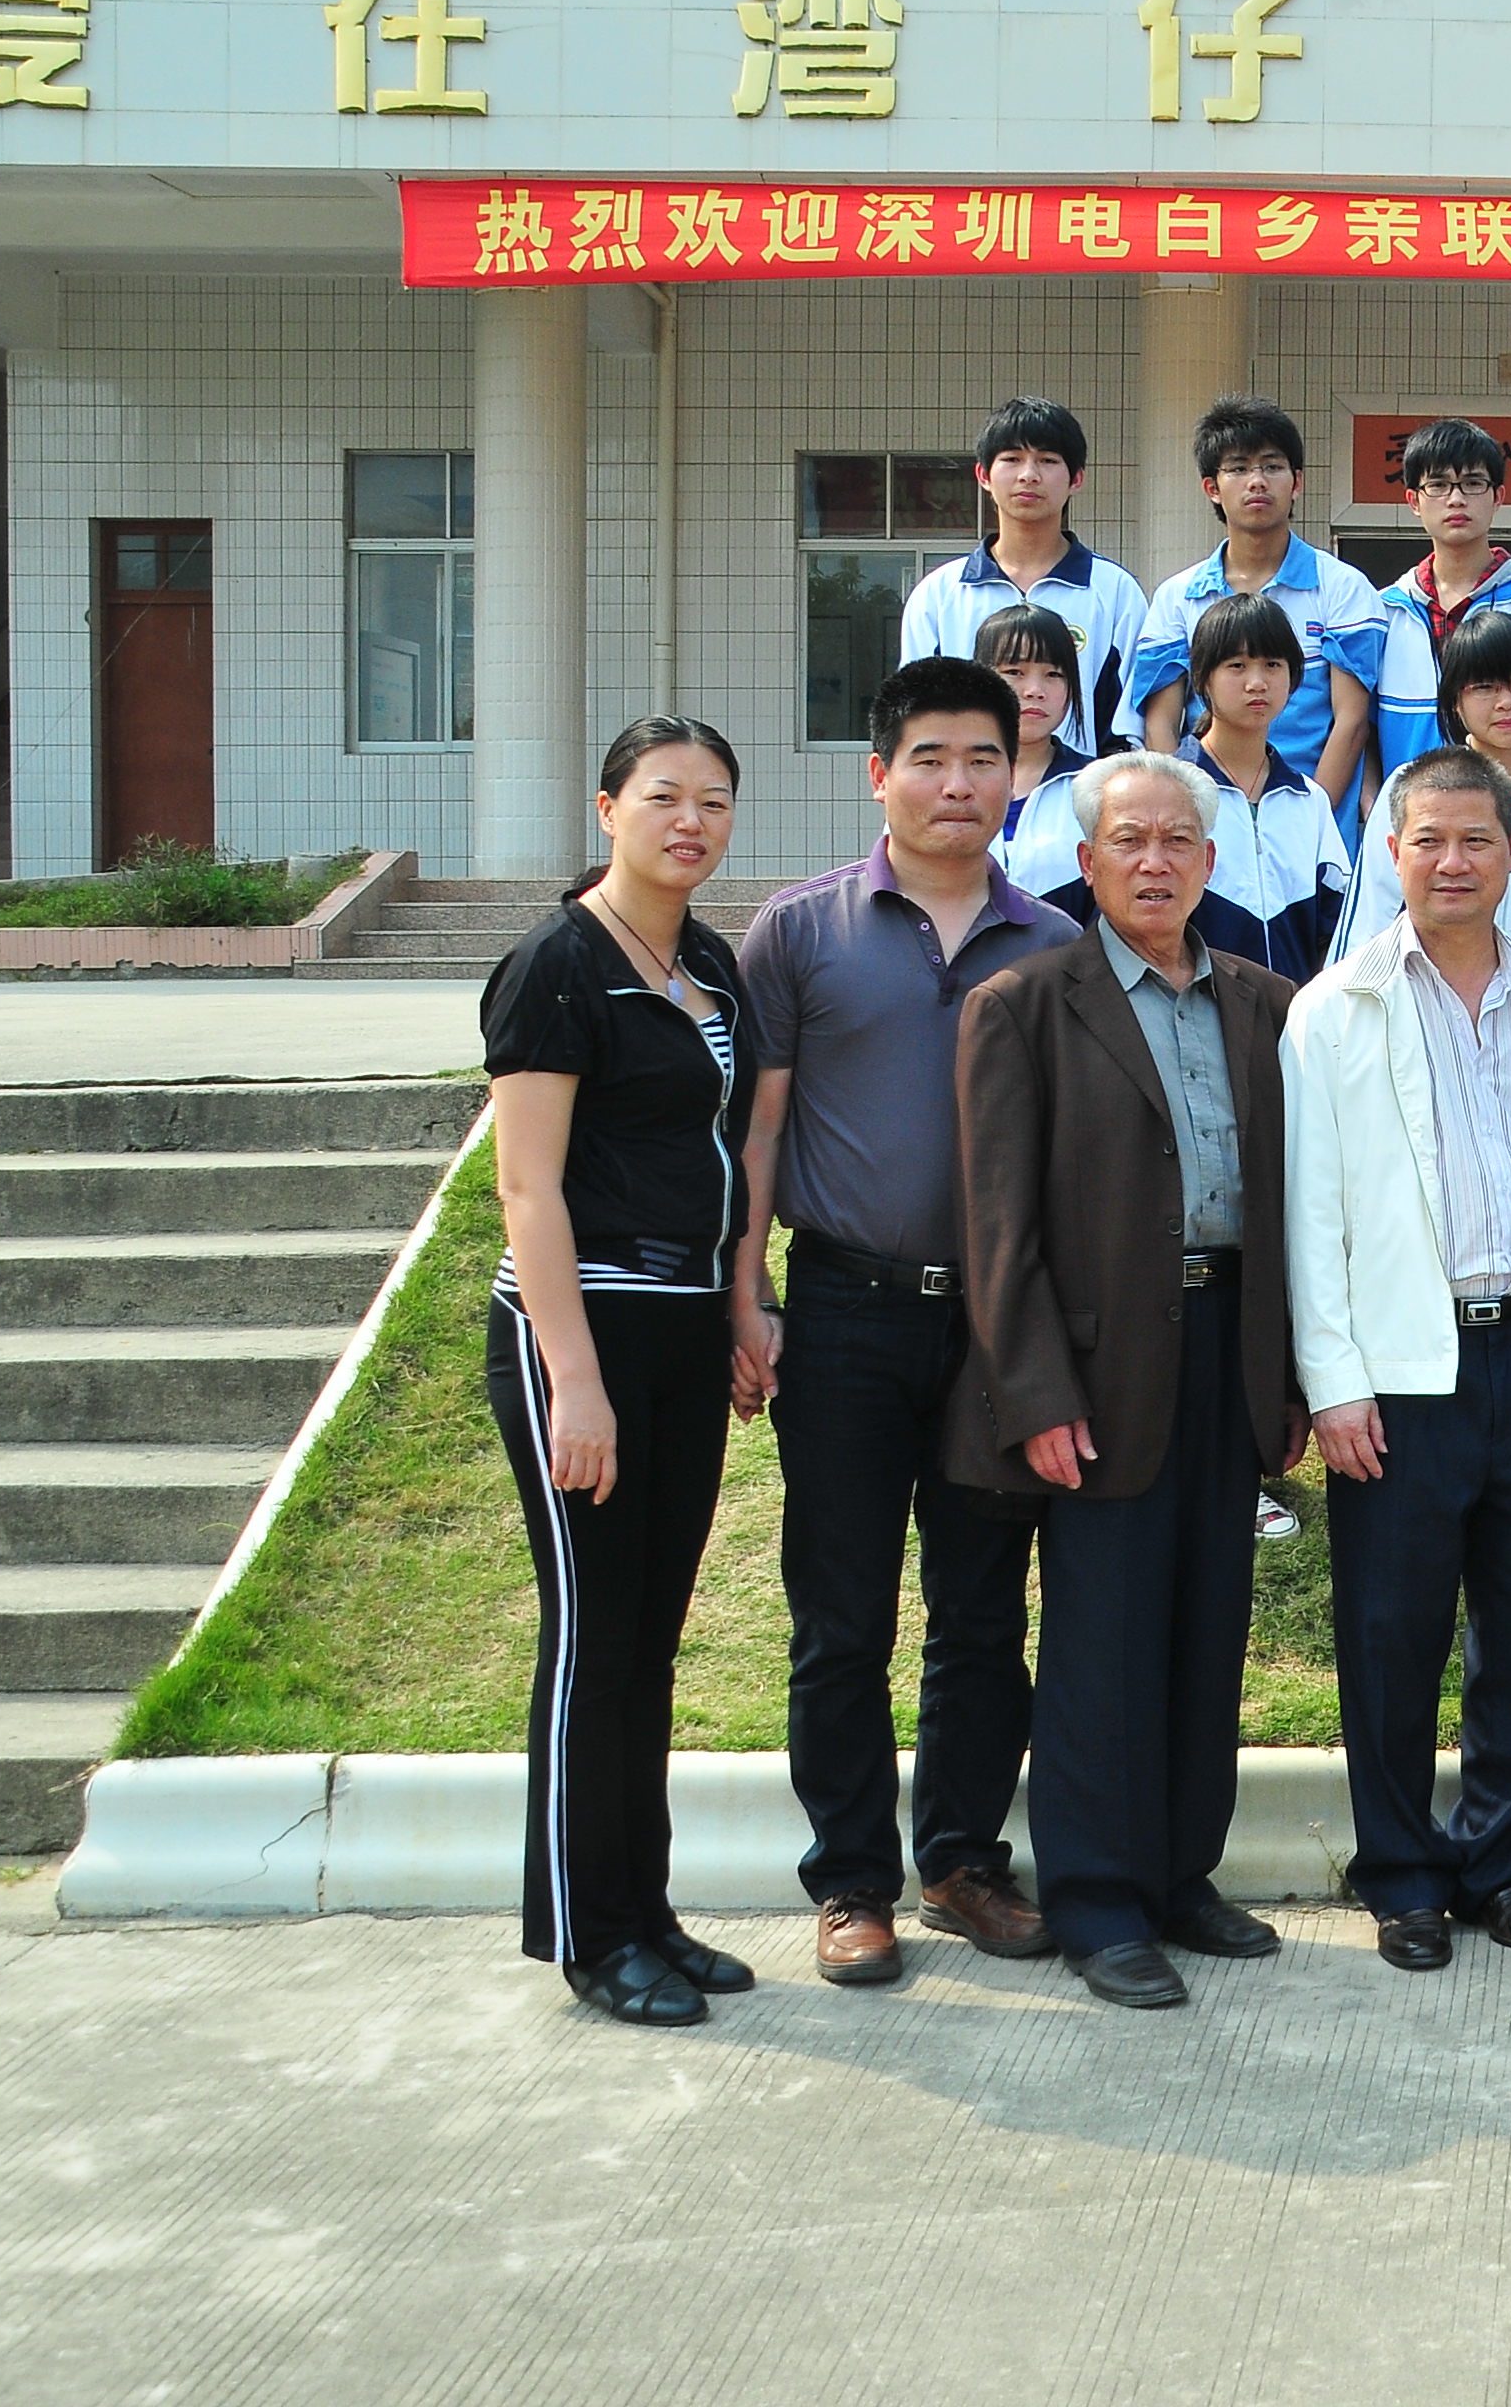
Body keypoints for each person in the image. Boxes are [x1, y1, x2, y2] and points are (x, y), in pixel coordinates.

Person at [727, 659, 1069, 1993]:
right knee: (842, 1613)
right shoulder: (799, 932)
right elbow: (758, 1132)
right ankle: (852, 1882)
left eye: (984, 757)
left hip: (995, 1330)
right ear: (879, 775)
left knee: (982, 1612)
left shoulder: (1054, 942)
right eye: (929, 757)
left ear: (1013, 776)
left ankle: (964, 1862)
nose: (958, 783)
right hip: (845, 1314)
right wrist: (748, 1292)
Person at [943, 750, 1303, 2010]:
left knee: (1209, 1630)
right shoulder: (1025, 1003)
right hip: (1098, 1372)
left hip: (1230, 1349)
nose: (1155, 862)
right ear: (1087, 862)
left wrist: (1288, 1380)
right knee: (1102, 1645)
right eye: (1129, 842)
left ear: (1210, 860)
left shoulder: (1265, 1002)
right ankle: (1099, 1900)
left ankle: (1180, 1875)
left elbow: (1295, 1204)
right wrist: (1037, 1394)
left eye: (1177, 841)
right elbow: (998, 1226)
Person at [1287, 746, 1511, 1972]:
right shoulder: (1335, 1009)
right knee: (1391, 1633)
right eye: (1429, 841)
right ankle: (1403, 1874)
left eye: (1477, 840)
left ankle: (1495, 1863)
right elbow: (1311, 1214)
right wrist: (1334, 1382)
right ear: (1392, 851)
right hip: (1403, 1373)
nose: (1453, 862)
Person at [479, 715, 756, 2027]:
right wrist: (572, 1381)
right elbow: (527, 1189)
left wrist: (742, 1307)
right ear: (608, 809)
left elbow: (730, 1153)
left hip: (685, 1328)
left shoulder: (707, 959)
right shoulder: (557, 965)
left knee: (650, 1636)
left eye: (713, 801)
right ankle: (589, 1936)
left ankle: (647, 1911)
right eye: (663, 797)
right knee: (593, 1637)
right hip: (580, 1327)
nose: (689, 822)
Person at [1125, 396, 1378, 819]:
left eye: (1272, 467)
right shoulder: (1177, 596)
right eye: (1239, 469)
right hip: (1206, 820)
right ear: (1212, 487)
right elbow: (1161, 724)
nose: (1257, 481)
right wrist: (1189, 817)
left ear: (1297, 482)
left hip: (1314, 812)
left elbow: (1351, 722)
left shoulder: (1344, 587)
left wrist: (1307, 819)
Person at [1357, 416, 1511, 778]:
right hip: (1408, 809)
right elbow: (1362, 731)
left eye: (1473, 484)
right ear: (1413, 501)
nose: (1456, 499)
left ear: (1498, 496)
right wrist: (1378, 806)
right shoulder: (1385, 609)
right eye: (1438, 485)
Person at [1343, 607, 1511, 973]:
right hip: (1424, 996)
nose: (1507, 702)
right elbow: (1369, 918)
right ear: (1455, 700)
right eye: (1485, 687)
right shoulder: (1412, 789)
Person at [899, 397, 1144, 756]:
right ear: (983, 475)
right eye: (1012, 459)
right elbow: (918, 714)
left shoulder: (1115, 591)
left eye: (1047, 460)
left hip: (1082, 787)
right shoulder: (939, 594)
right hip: (968, 786)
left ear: (1076, 479)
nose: (1029, 475)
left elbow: (1129, 722)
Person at [1166, 593, 1358, 984]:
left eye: (1273, 665)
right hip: (1196, 1006)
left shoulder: (1308, 799)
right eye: (1237, 666)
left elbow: (1336, 922)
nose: (1257, 683)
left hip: (1295, 1011)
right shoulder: (1171, 791)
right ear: (1203, 677)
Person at [978, 603, 1100, 906]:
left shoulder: (1099, 787)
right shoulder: (944, 782)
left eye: (1053, 674)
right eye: (1014, 672)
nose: (1034, 690)